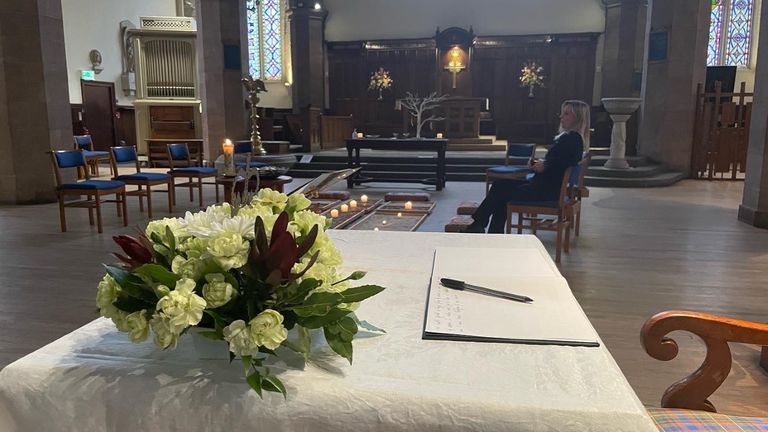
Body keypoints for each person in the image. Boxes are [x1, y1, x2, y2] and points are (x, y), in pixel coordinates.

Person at [466, 100, 590, 234]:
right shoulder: (574, 139)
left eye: (566, 114)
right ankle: (488, 229)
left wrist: (542, 165)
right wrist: (542, 163)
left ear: (577, 118)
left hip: (544, 192)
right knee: (500, 187)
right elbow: (560, 161)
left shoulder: (571, 139)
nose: (561, 117)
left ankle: (479, 226)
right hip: (546, 187)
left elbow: (559, 164)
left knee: (499, 190)